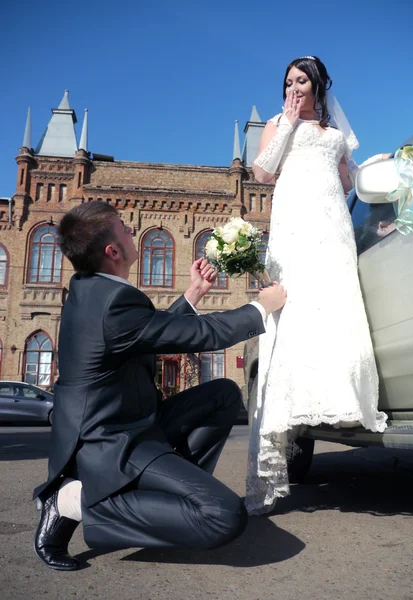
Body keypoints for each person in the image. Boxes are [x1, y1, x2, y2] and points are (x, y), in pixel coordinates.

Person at [33, 201, 286, 571]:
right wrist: (261, 308)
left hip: (137, 421)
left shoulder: (93, 289)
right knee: (223, 516)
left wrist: (193, 294)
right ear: (113, 251)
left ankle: (164, 496)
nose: (132, 230)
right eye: (124, 228)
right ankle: (73, 499)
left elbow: (149, 333)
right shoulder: (110, 302)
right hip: (113, 442)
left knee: (223, 395)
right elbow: (201, 333)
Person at [246, 56, 388, 516]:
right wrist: (286, 123)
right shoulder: (275, 123)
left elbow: (351, 181)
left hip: (334, 229)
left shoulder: (336, 135)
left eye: (301, 81)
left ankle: (338, 402)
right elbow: (262, 175)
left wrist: (379, 181)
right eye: (288, 82)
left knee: (337, 309)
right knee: (296, 317)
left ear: (319, 86)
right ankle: (276, 459)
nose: (293, 87)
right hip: (295, 229)